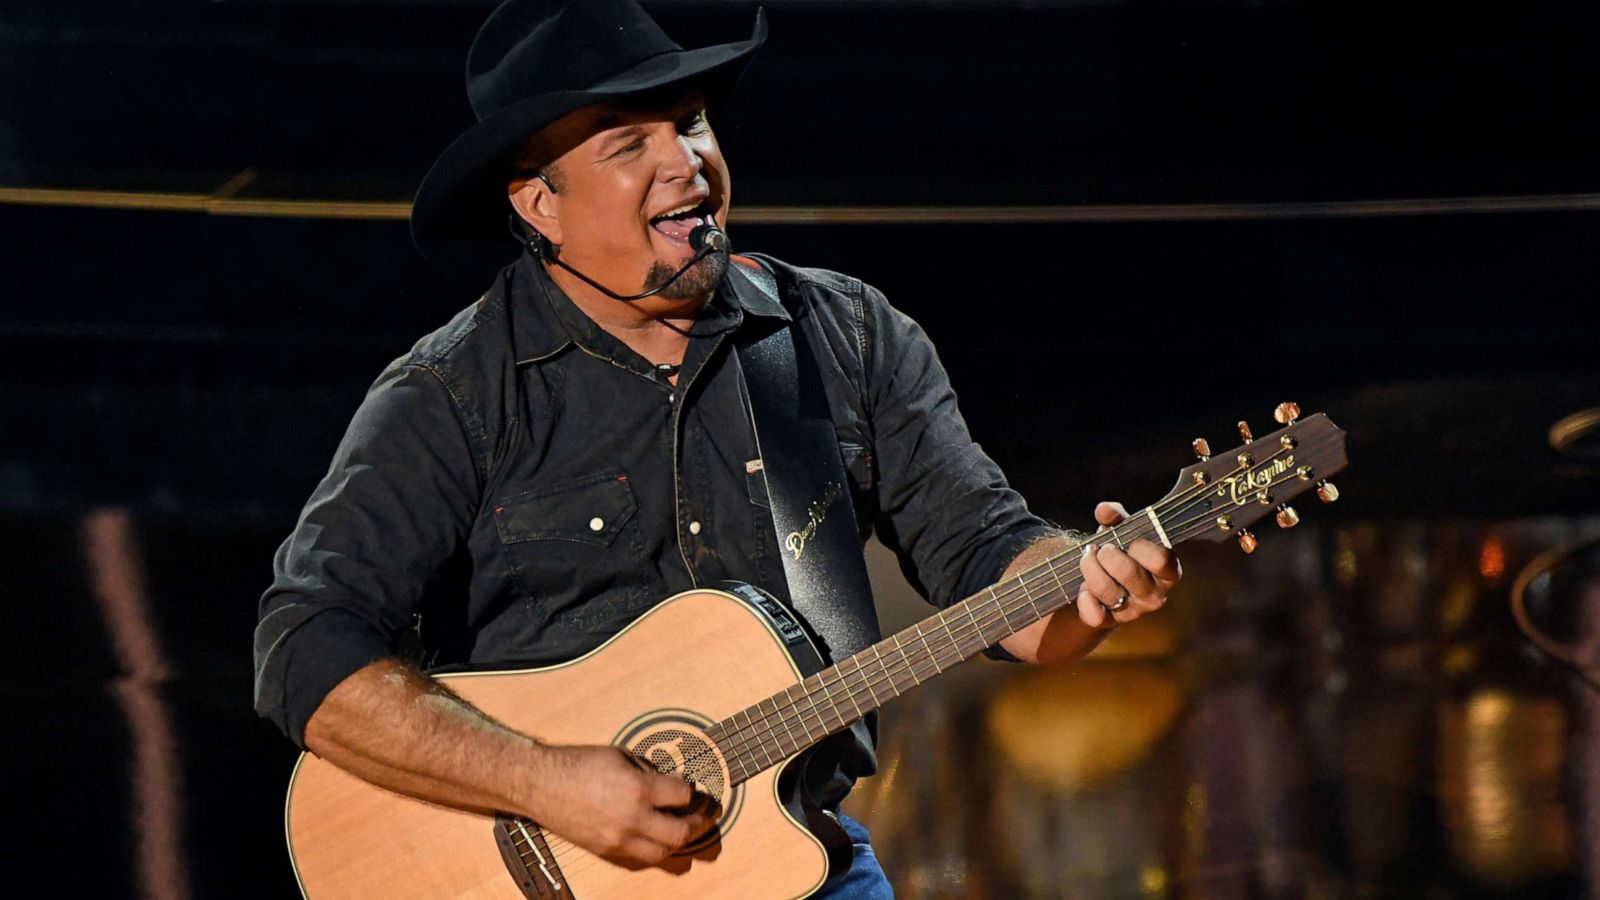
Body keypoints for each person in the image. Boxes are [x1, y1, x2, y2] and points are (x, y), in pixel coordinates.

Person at [252, 1, 1181, 895]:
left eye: (691, 123)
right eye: (630, 143)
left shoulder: (845, 337)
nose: (686, 163)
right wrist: (544, 783)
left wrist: (1088, 582)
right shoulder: (452, 394)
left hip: (797, 863)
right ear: (541, 205)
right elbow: (303, 650)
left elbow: (989, 565)